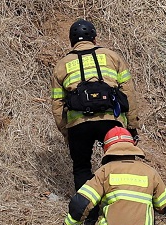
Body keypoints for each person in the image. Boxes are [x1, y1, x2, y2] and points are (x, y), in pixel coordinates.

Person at [50, 19, 136, 191]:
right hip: (111, 120)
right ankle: (119, 204)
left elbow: (57, 105)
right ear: (95, 39)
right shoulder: (113, 57)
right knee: (119, 163)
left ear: (72, 42)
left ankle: (88, 214)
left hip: (79, 125)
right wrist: (132, 127)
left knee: (81, 168)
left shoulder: (61, 65)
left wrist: (67, 133)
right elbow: (129, 94)